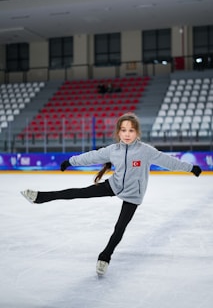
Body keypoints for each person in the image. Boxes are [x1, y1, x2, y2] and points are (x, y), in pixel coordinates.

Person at [21, 112, 202, 276]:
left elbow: (168, 161)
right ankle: (40, 197)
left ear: (137, 132)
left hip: (133, 194)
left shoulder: (146, 151)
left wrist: (190, 168)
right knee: (77, 192)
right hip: (113, 185)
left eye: (131, 130)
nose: (127, 134)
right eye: (123, 130)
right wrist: (70, 161)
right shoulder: (113, 150)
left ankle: (105, 257)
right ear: (118, 132)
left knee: (119, 228)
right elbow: (92, 156)